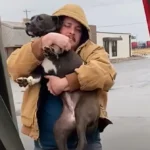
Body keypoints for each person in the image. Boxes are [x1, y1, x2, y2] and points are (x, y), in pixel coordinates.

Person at [7, 3, 117, 150]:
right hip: (46, 142)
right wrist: (43, 42)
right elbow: (14, 68)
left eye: (78, 29)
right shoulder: (38, 47)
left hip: (86, 139)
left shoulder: (92, 50)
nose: (72, 32)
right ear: (57, 26)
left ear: (83, 33)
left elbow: (105, 74)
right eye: (68, 25)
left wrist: (66, 82)